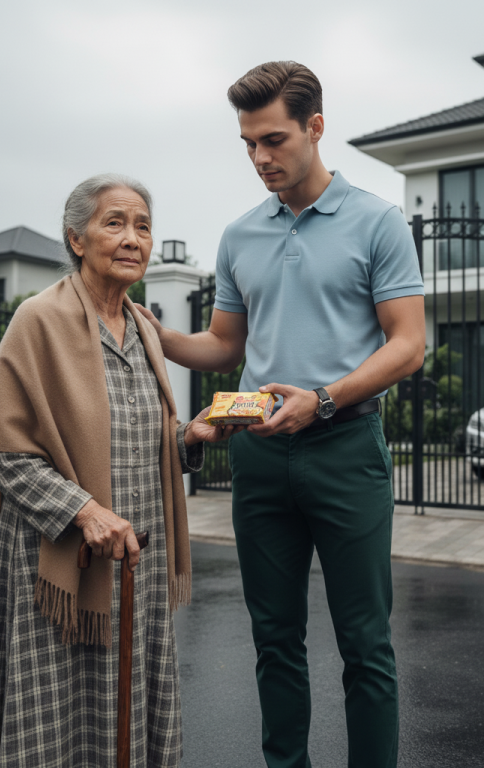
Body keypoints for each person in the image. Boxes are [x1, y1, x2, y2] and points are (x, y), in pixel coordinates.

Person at [138, 61, 425, 767]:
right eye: (247, 144)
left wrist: (324, 399)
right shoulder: (240, 235)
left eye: (273, 140)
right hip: (259, 457)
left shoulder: (377, 222)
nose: (260, 158)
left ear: (314, 128)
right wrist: (153, 333)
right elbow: (224, 345)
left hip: (345, 447)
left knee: (365, 642)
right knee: (274, 638)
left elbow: (409, 345)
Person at [0, 174, 238, 768]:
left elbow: (137, 435)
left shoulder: (143, 327)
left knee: (127, 703)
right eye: (114, 223)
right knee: (56, 711)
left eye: (142, 225)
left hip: (136, 557)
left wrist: (189, 436)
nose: (132, 238)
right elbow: (2, 452)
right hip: (62, 559)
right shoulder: (39, 319)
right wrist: (84, 511)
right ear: (76, 239)